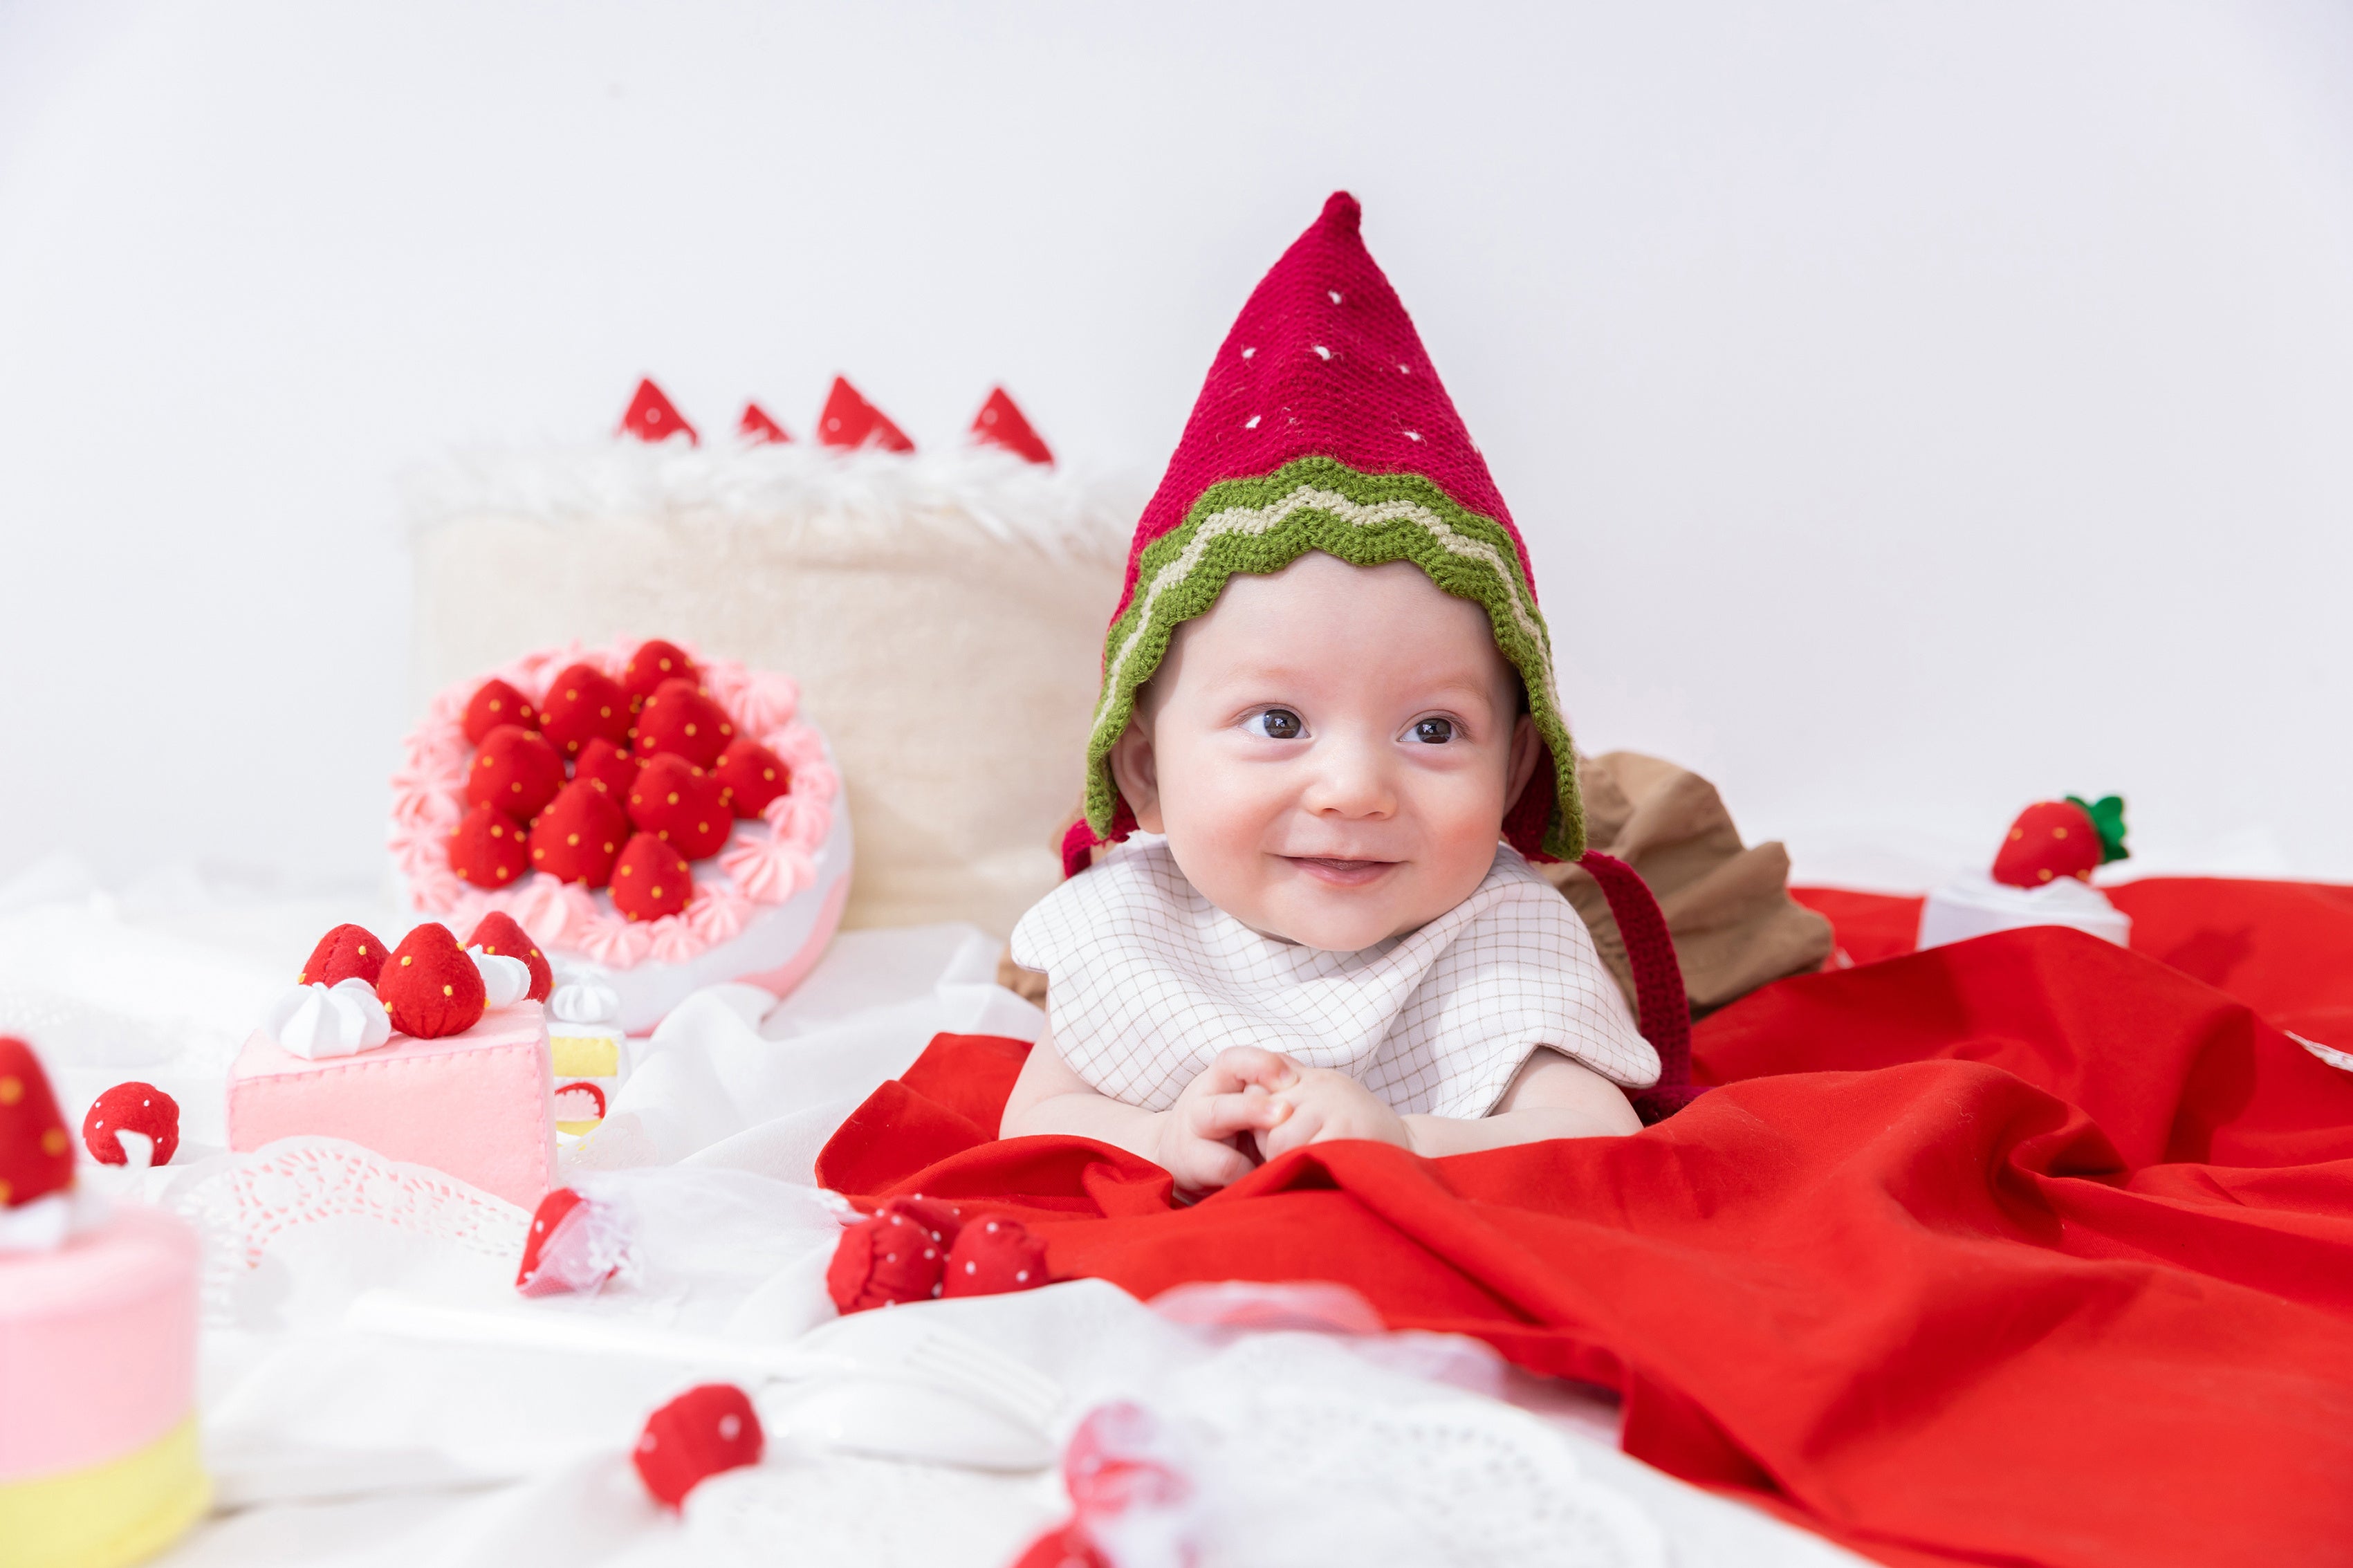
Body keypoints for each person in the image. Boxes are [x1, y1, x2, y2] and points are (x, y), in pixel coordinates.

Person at [1000, 192, 1661, 1194]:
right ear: (1143, 771)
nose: (1354, 789)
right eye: (1278, 722)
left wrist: (1405, 1140)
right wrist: (1164, 1136)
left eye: (1433, 728)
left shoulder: (1495, 938)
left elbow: (1595, 1136)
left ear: (1515, 766)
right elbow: (1037, 1117)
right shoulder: (1138, 925)